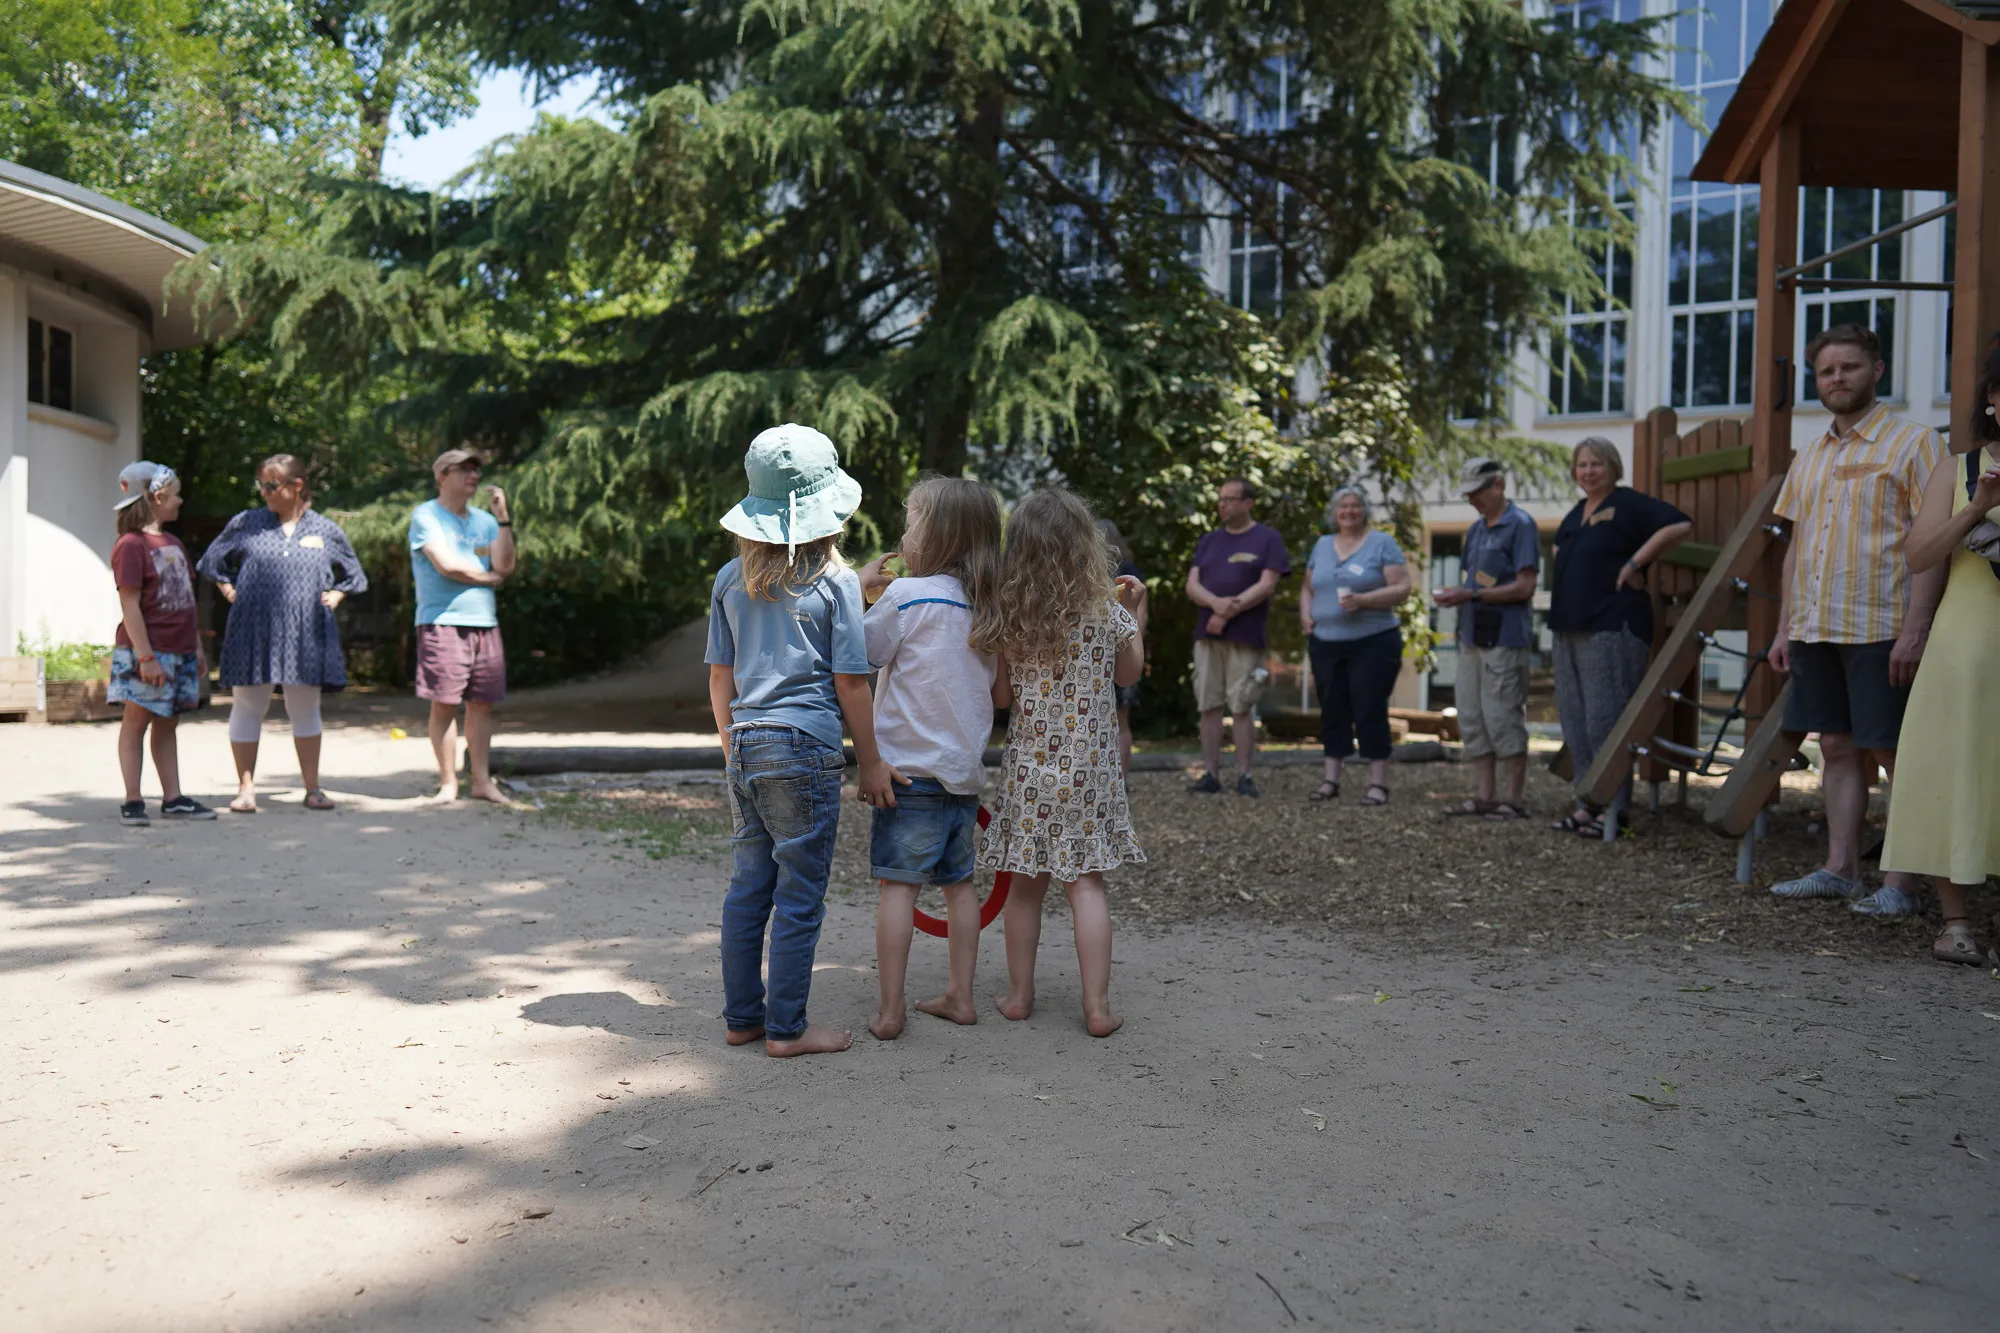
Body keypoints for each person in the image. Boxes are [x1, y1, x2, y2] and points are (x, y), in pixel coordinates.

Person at [704, 423, 888, 1058]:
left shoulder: (729, 579)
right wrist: (872, 763)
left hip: (747, 741)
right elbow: (852, 683)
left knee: (748, 885)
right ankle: (787, 1029)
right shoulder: (835, 582)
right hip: (805, 746)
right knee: (800, 894)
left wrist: (732, 745)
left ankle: (741, 1019)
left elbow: (720, 677)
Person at [1767, 325, 1946, 915]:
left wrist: (1917, 629)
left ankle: (1900, 885)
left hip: (1883, 624)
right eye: (1826, 371)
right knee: (1837, 748)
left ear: (1877, 369)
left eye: (1849, 367)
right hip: (1818, 626)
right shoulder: (1810, 454)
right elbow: (1797, 545)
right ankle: (1840, 870)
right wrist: (1784, 628)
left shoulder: (1916, 444)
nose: (1837, 378)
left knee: (1895, 754)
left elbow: (1936, 544)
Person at [972, 487, 1147, 1038]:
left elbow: (1001, 698)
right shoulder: (1103, 612)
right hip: (1090, 770)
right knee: (1086, 885)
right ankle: (1096, 1007)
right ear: (1085, 545)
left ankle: (1019, 996)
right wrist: (1133, 616)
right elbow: (1129, 677)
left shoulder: (1009, 613)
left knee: (1024, 886)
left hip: (1029, 765)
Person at [856, 477, 1004, 1039]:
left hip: (907, 773)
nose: (904, 530)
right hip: (963, 776)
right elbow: (995, 692)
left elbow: (863, 654)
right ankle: (960, 997)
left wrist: (860, 593)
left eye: (912, 518)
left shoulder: (905, 595)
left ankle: (890, 1012)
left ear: (935, 534)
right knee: (960, 887)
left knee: (899, 889)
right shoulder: (989, 606)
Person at [1879, 339, 2000, 962]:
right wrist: (1978, 507)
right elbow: (1920, 554)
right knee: (1957, 765)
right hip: (1969, 637)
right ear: (1994, 399)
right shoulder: (1958, 468)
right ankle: (1956, 923)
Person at [198, 454, 370, 813]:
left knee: (305, 708)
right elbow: (212, 563)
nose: (264, 492)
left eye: (271, 485)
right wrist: (230, 591)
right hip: (252, 629)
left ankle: (313, 788)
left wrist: (335, 596)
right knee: (248, 706)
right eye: (261, 484)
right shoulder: (246, 522)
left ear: (297, 486)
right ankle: (246, 789)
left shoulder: (325, 530)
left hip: (306, 632)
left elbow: (353, 575)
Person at [1546, 438, 1691, 838]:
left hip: (1612, 624)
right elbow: (1561, 551)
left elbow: (1679, 524)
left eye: (1596, 464)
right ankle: (1586, 805)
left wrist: (1634, 562)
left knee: (1604, 723)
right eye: (1582, 465)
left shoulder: (1628, 504)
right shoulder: (1577, 512)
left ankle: (1614, 811)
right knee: (1575, 723)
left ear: (1612, 467)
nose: (1588, 471)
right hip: (1567, 625)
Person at [106, 462, 215, 825]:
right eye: (176, 494)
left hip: (179, 651)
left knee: (168, 722)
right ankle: (133, 800)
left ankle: (173, 798)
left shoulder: (174, 544)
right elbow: (130, 605)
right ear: (157, 497)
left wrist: (196, 647)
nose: (181, 500)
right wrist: (146, 656)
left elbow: (185, 600)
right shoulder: (130, 546)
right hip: (148, 653)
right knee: (137, 720)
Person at [1435, 458, 1540, 821]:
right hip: (1472, 637)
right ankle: (1484, 796)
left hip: (1505, 638)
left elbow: (1525, 587)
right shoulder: (1476, 529)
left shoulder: (1521, 525)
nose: (1471, 499)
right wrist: (1457, 593)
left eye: (1476, 492)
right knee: (1472, 717)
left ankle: (1513, 800)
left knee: (1502, 717)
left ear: (1498, 484)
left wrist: (1470, 596)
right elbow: (1474, 582)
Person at [409, 449, 514, 804]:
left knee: (482, 703)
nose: (473, 475)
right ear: (441, 476)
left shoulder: (485, 521)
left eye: (476, 470)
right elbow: (447, 565)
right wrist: (487, 578)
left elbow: (506, 565)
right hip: (442, 622)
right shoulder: (426, 515)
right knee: (444, 703)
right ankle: (448, 783)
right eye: (464, 469)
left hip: (485, 622)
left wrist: (503, 520)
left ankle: (482, 782)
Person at [1298, 488, 1410, 806]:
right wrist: (1306, 615)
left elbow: (1403, 587)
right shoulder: (1321, 545)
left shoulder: (1382, 543)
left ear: (1365, 511)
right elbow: (1308, 588)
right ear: (1335, 512)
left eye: (1355, 505)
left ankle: (1378, 784)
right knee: (1332, 710)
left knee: (1369, 708)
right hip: (1325, 642)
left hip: (1373, 642)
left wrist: (1364, 600)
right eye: (1343, 506)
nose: (1349, 511)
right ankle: (1331, 779)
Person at [1184, 477, 1289, 797]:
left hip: (1245, 636)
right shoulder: (1209, 541)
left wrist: (1228, 611)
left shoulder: (1267, 539)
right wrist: (1215, 604)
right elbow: (1192, 585)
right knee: (1209, 704)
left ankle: (1244, 775)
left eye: (1230, 499)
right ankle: (1211, 774)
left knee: (1242, 704)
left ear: (1248, 503)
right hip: (1208, 636)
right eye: (1221, 499)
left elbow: (1267, 584)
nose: (1223, 505)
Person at [1096, 517, 1148, 773]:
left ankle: (1114, 776)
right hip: (1124, 648)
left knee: (1113, 720)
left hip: (1099, 654)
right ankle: (1121, 778)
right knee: (1121, 721)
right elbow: (1141, 618)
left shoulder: (1096, 571)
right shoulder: (1129, 570)